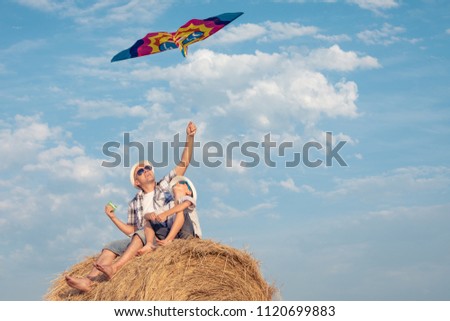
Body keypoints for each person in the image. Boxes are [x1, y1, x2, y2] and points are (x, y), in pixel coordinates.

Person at [65, 121, 197, 292]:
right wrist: (113, 217)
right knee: (110, 247)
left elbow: (184, 162)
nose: (146, 171)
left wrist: (190, 137)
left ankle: (116, 268)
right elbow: (131, 231)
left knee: (141, 232)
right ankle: (87, 281)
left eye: (148, 168)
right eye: (140, 171)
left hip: (162, 235)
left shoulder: (165, 185)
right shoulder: (135, 203)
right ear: (136, 182)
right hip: (142, 238)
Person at [137, 175, 200, 255]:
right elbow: (146, 215)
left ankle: (168, 240)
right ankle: (149, 243)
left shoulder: (189, 199)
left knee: (179, 210)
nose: (177, 183)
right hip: (175, 236)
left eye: (182, 183)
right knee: (148, 222)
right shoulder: (170, 205)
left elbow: (183, 206)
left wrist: (165, 214)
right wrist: (150, 215)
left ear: (189, 192)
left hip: (189, 235)